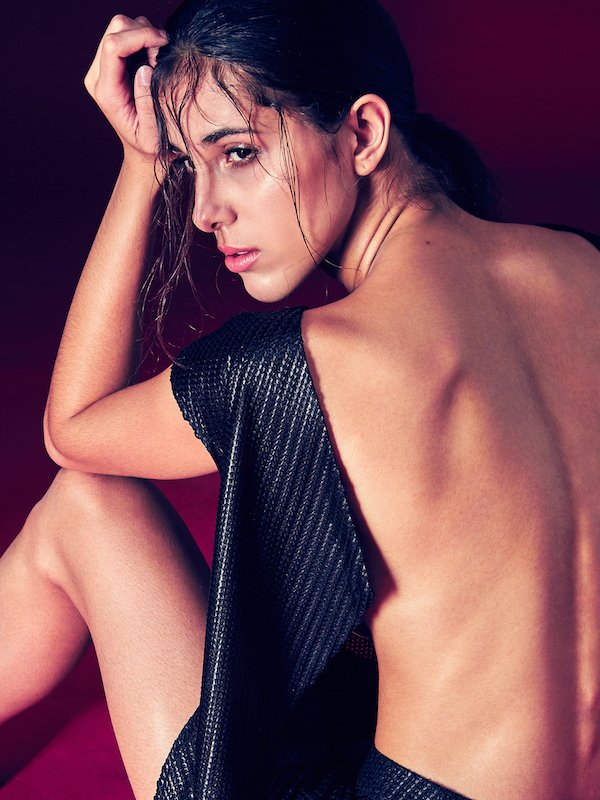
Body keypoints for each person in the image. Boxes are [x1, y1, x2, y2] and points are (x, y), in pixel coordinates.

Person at [1, 0, 599, 798]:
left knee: (85, 503)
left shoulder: (310, 361)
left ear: (363, 133)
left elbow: (72, 430)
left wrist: (139, 166)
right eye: (185, 166)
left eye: (238, 152)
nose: (206, 210)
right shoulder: (584, 267)